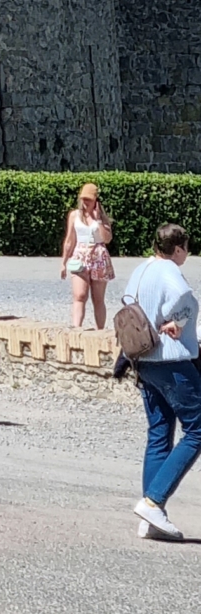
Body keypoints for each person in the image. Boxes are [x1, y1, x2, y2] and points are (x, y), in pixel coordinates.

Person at [125, 223, 201, 539]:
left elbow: (128, 303)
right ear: (178, 249)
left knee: (159, 432)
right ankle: (153, 502)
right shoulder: (169, 270)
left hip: (142, 360)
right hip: (170, 360)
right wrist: (177, 321)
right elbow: (188, 300)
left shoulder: (140, 270)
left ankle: (151, 518)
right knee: (198, 428)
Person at [61, 182, 115, 331]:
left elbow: (107, 239)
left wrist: (97, 220)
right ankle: (76, 328)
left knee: (98, 299)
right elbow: (70, 239)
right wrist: (64, 262)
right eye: (83, 199)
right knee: (79, 295)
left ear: (96, 201)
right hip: (80, 255)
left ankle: (100, 330)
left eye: (89, 200)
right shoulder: (74, 215)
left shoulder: (102, 218)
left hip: (98, 255)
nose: (85, 203)